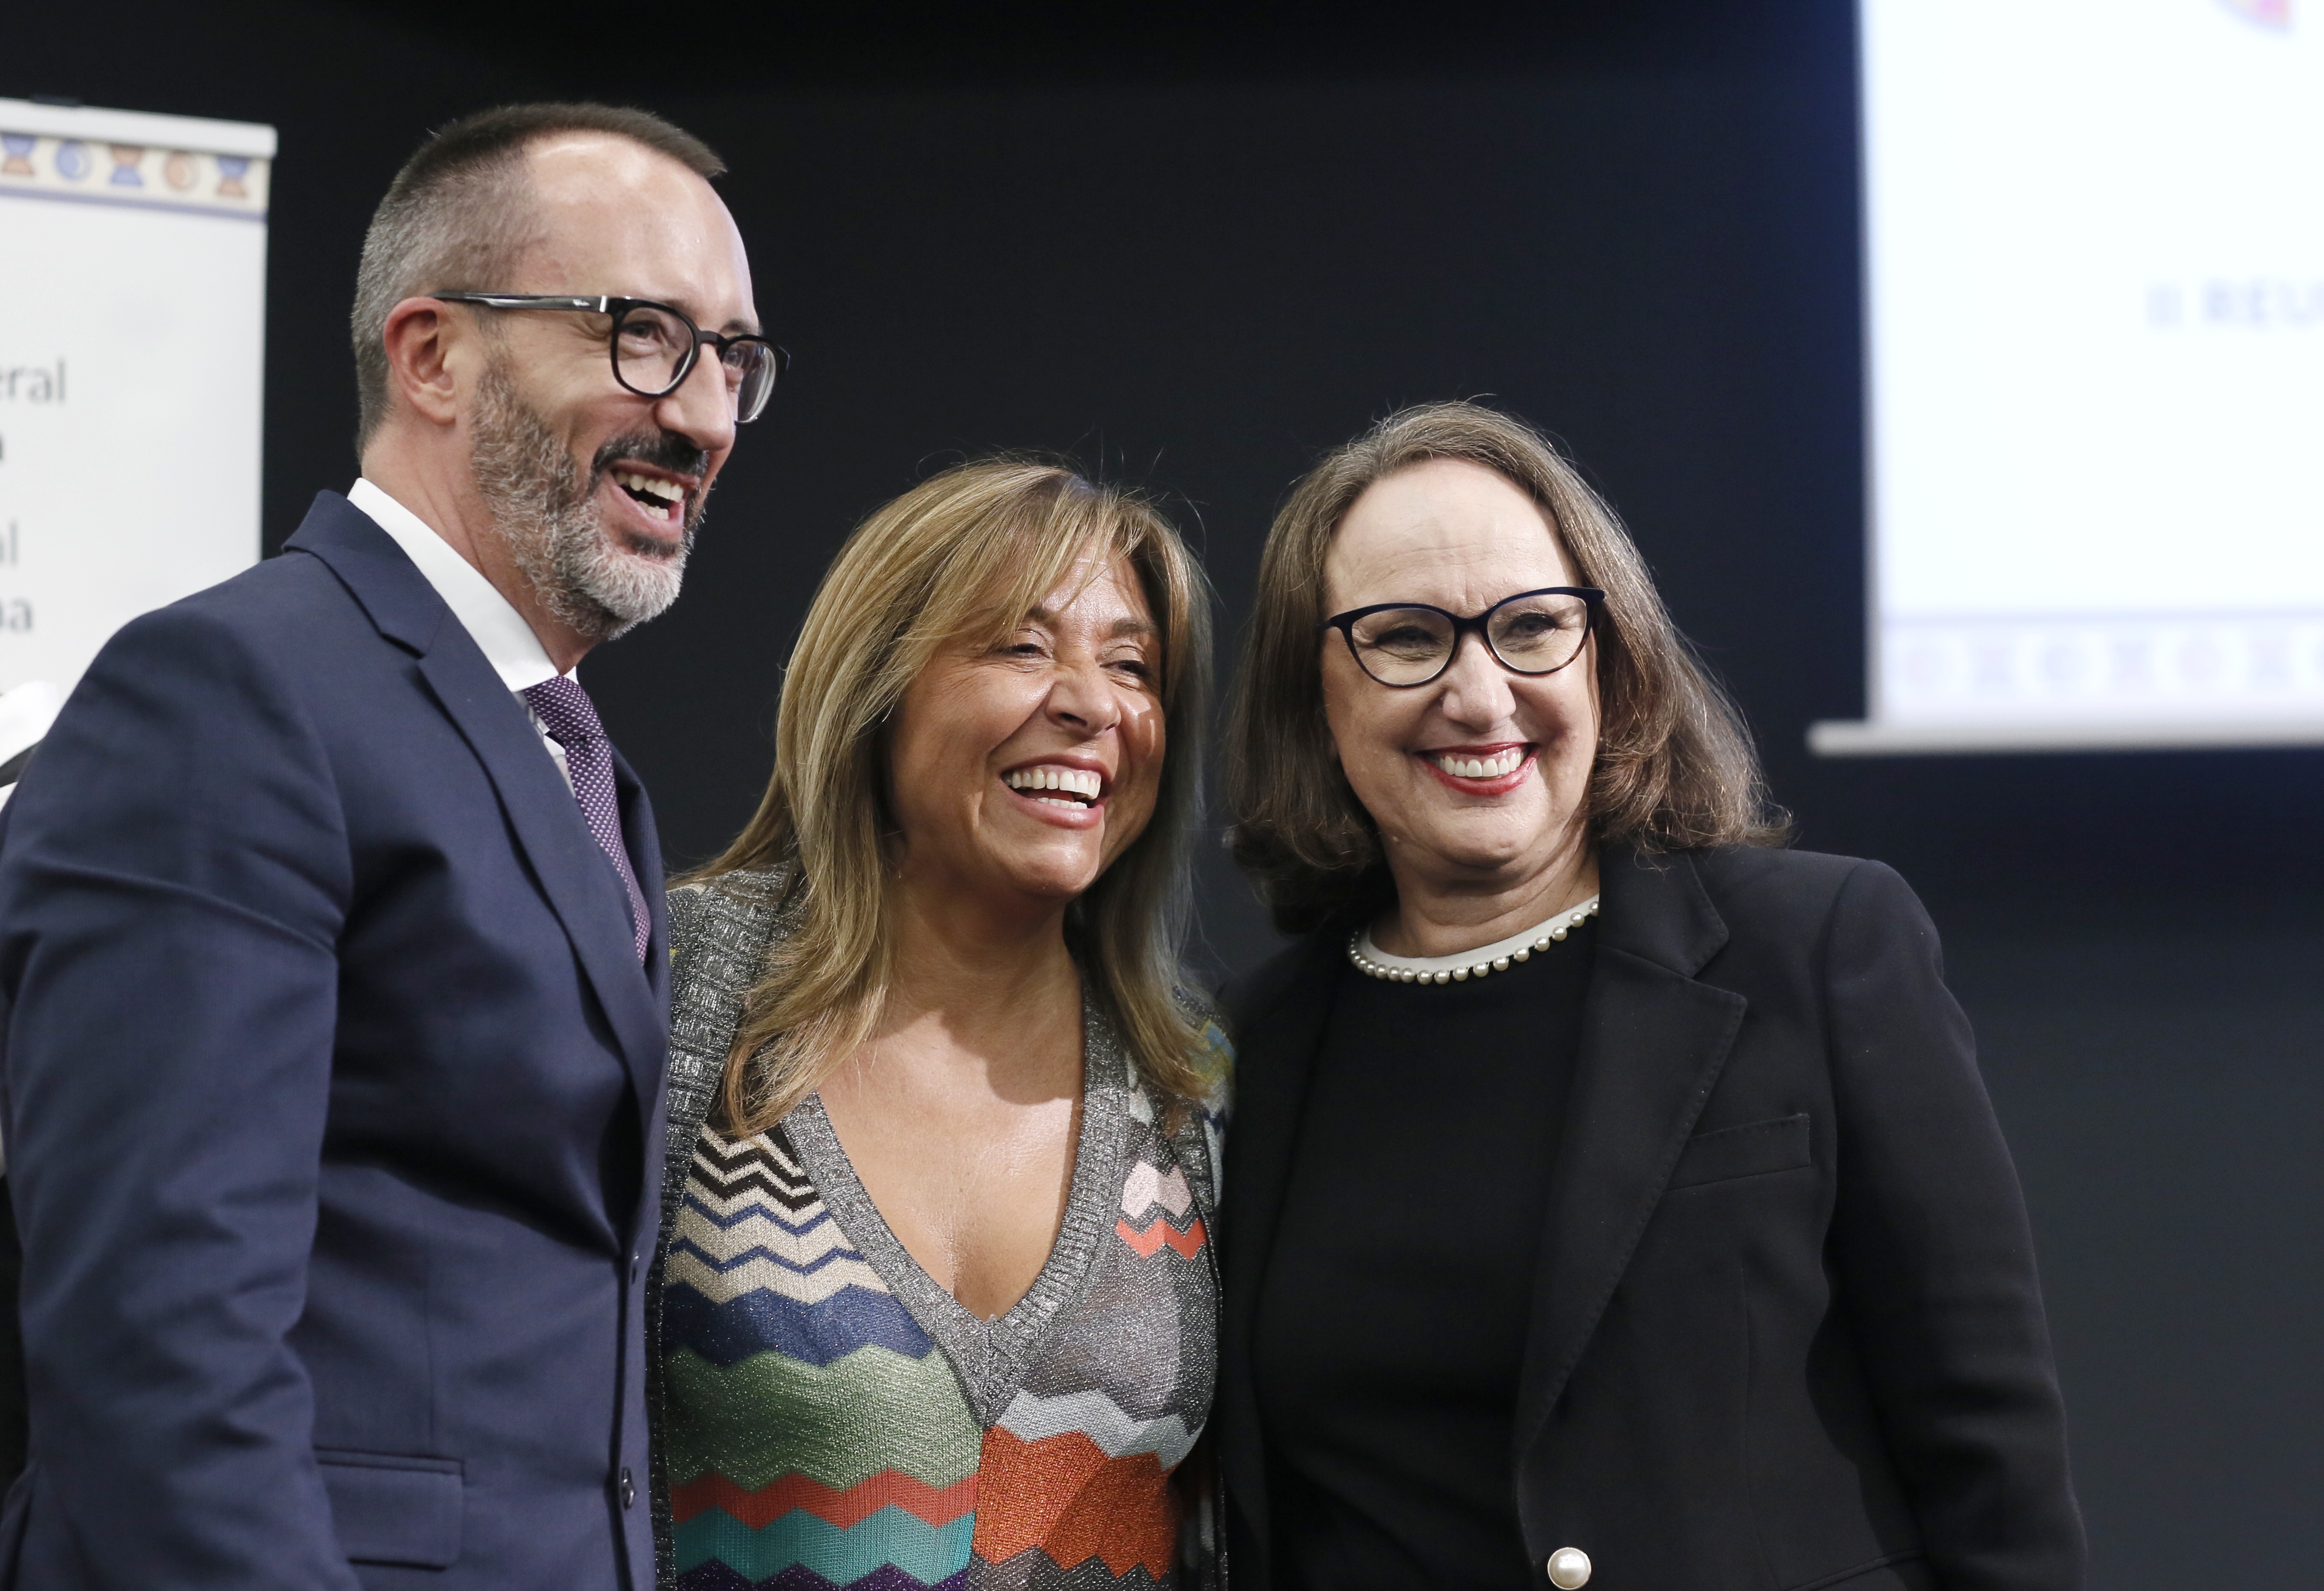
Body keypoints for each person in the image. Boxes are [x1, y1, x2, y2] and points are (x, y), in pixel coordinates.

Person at [0, 102, 780, 1590]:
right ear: (432, 354)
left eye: (733, 356)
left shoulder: (574, 761)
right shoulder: (230, 694)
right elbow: (158, 1356)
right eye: (643, 336)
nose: (707, 416)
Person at [1216, 401, 2085, 1591]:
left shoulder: (1819, 948)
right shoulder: (1248, 1050)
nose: (1480, 695)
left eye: (1531, 628)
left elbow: (1994, 1458)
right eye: (1407, 639)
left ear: (1612, 667)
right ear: (1311, 693)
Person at [648, 461, 1227, 1591]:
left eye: (1133, 666)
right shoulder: (669, 985)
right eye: (1023, 646)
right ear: (878, 688)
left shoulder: (1195, 1087)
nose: (1093, 703)